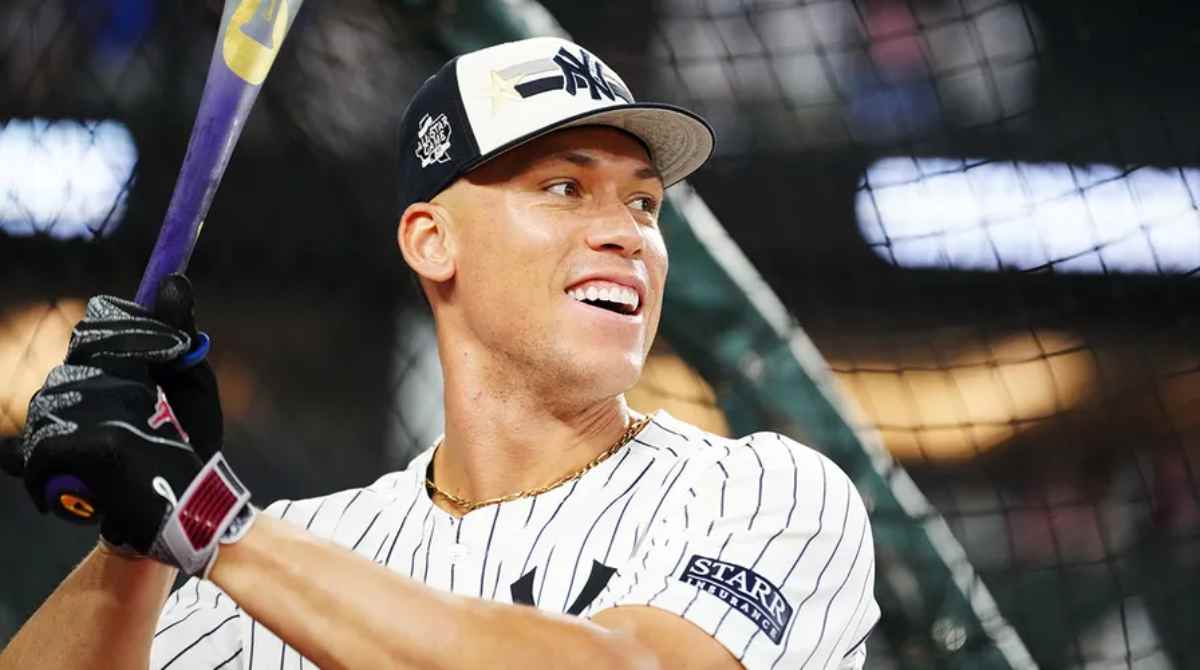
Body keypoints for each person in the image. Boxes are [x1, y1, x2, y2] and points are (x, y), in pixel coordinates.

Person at [0, 37, 878, 669]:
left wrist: (204, 519)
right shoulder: (307, 547)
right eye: (565, 188)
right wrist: (137, 532)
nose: (625, 233)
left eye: (645, 205)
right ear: (431, 241)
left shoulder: (762, 491)